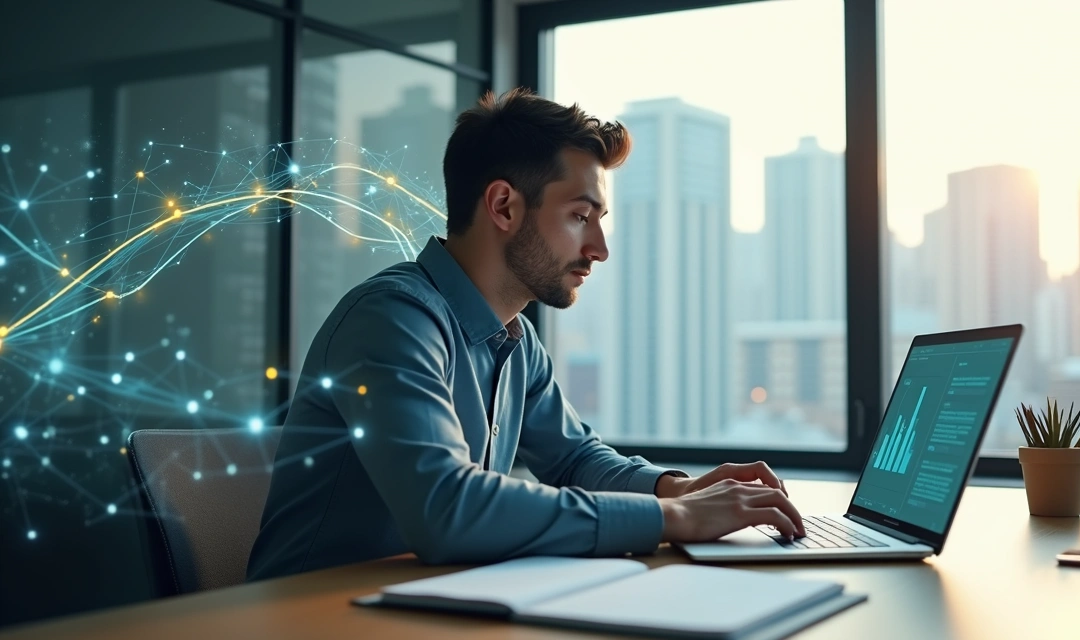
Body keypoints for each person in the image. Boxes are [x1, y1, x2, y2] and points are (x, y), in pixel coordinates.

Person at [246, 88, 804, 581]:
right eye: (580, 216)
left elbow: (575, 460)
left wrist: (676, 489)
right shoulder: (392, 319)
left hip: (429, 605)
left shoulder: (515, 340)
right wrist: (673, 519)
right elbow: (448, 510)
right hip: (314, 617)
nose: (599, 249)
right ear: (504, 206)